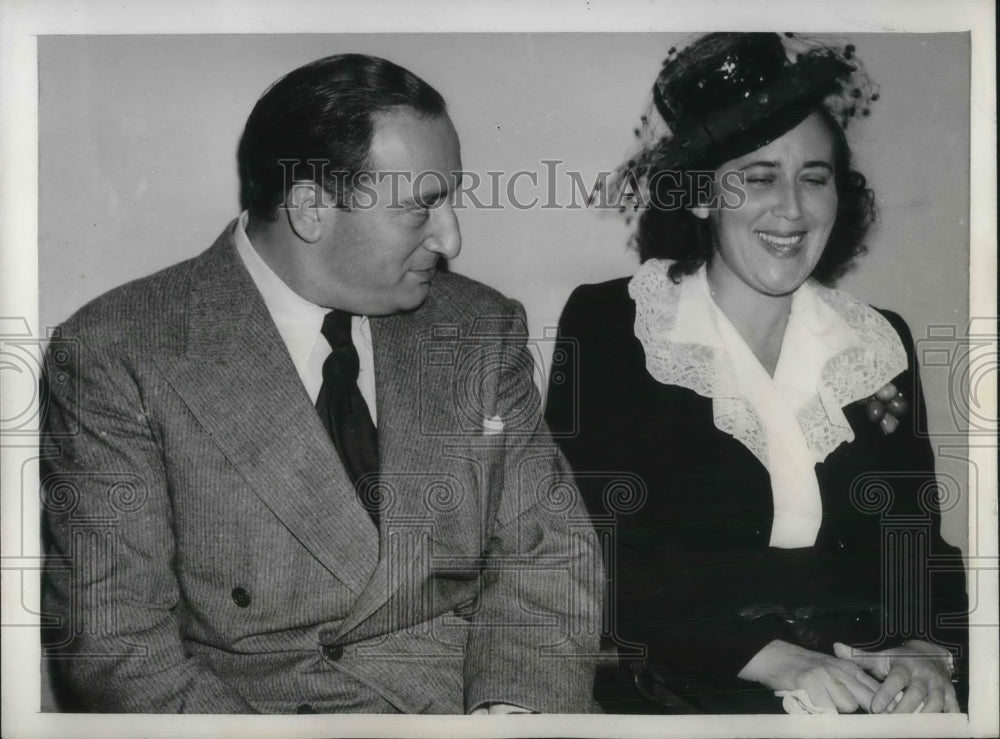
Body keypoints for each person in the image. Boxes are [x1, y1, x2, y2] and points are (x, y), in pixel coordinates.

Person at [40, 53, 602, 714]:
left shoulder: (478, 327)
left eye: (451, 198)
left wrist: (511, 710)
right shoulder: (119, 351)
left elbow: (549, 552)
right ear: (310, 208)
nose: (452, 237)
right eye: (422, 208)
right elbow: (116, 645)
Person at [545, 33, 967, 714]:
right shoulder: (614, 325)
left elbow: (914, 538)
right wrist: (771, 660)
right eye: (759, 177)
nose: (793, 210)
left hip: (868, 682)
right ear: (702, 197)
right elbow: (598, 547)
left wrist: (925, 646)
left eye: (815, 177)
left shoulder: (877, 340)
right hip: (695, 681)